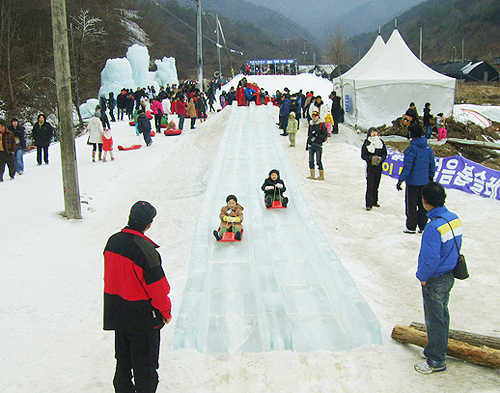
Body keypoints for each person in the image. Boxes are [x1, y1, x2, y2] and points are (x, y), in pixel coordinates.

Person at [103, 201, 172, 392]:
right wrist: (165, 312)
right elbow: (158, 289)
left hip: (118, 312)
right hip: (141, 318)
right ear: (149, 224)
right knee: (145, 368)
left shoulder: (112, 242)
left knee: (123, 363)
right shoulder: (145, 250)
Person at [414, 181, 462, 374]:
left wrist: (422, 277)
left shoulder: (433, 227)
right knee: (442, 316)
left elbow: (430, 259)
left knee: (434, 319)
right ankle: (434, 349)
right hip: (449, 275)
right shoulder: (454, 219)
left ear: (425, 202)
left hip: (435, 278)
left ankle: (436, 360)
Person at [397, 123, 436, 233]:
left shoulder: (411, 149)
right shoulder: (428, 148)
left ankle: (411, 226)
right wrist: (431, 177)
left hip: (413, 183)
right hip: (425, 182)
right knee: (423, 204)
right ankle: (422, 226)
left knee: (411, 205)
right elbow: (432, 164)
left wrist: (401, 180)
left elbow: (407, 167)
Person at [361, 127, 387, 210]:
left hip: (379, 167)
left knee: (376, 184)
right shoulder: (367, 143)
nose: (374, 133)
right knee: (370, 185)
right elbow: (363, 155)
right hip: (370, 167)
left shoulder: (380, 142)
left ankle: (375, 201)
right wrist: (371, 159)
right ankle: (368, 204)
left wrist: (380, 159)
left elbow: (384, 154)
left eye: (375, 132)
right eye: (372, 132)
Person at [306, 111, 328, 180]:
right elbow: (309, 135)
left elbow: (324, 135)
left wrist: (317, 137)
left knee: (318, 160)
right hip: (311, 144)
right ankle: (312, 174)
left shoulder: (321, 125)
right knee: (311, 160)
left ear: (318, 116)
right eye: (313, 116)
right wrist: (307, 144)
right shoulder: (311, 124)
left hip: (318, 145)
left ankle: (321, 175)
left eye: (315, 116)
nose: (314, 118)